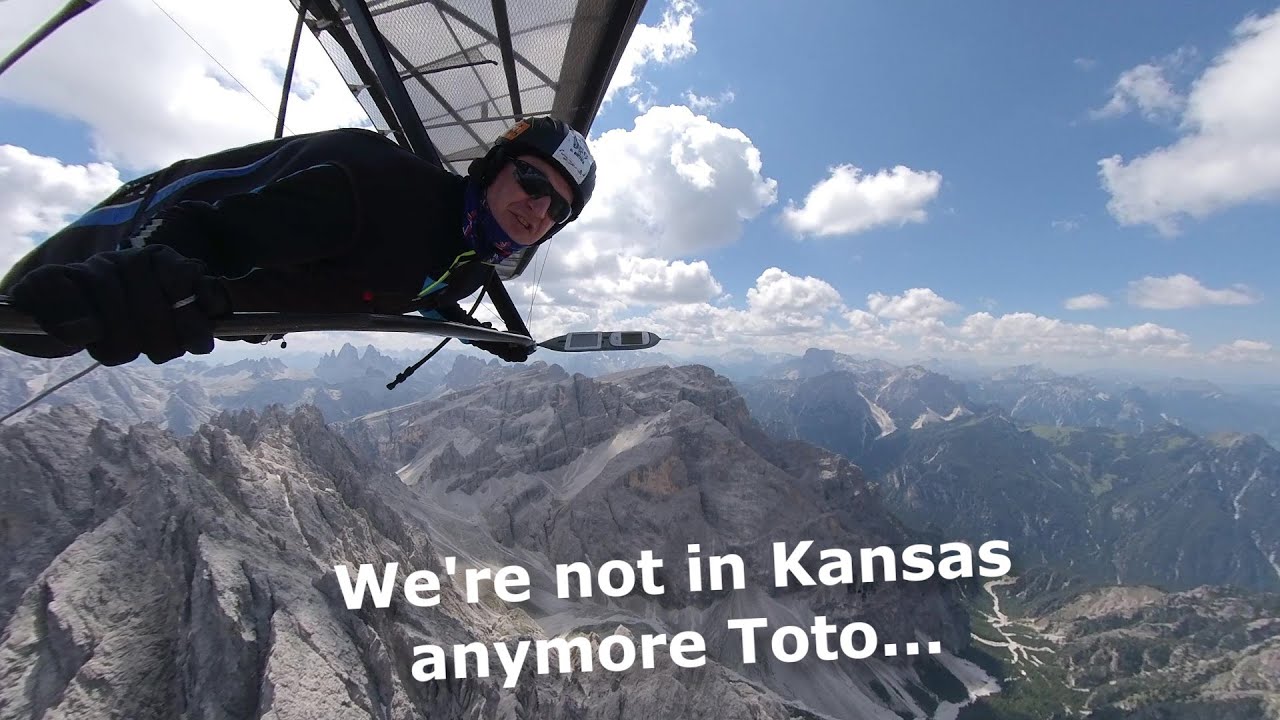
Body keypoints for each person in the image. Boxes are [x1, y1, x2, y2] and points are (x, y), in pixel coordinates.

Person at [0, 117, 596, 366]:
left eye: (557, 209)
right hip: (139, 227)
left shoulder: (472, 257)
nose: (539, 207)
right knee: (35, 318)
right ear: (493, 168)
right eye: (531, 178)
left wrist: (483, 337)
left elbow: (431, 284)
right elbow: (211, 229)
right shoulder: (375, 193)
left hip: (210, 287)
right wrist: (142, 270)